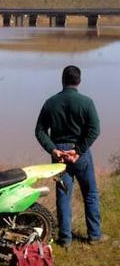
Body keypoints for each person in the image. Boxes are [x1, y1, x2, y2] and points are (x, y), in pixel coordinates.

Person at [35, 65, 107, 248]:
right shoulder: (86, 102)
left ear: (62, 80)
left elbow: (40, 131)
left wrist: (53, 150)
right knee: (90, 193)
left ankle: (65, 239)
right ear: (79, 81)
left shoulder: (50, 102)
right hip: (79, 155)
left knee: (63, 196)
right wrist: (78, 150)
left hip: (59, 155)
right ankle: (94, 235)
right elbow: (95, 130)